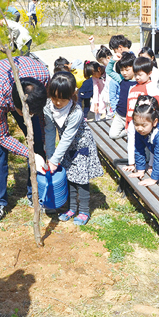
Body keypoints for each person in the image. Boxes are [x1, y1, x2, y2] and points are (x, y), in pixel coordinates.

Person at [0, 56, 49, 226]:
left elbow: (42, 118)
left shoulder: (43, 76)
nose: (30, 117)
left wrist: (41, 145)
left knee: (36, 138)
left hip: (22, 84)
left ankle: (35, 194)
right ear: (14, 107)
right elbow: (2, 137)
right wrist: (28, 154)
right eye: (26, 113)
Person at [43, 72, 103, 226]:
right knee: (69, 176)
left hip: (81, 146)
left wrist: (56, 159)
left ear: (71, 95)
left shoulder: (75, 112)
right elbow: (50, 131)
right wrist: (50, 156)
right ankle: (71, 208)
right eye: (54, 98)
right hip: (66, 147)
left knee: (81, 180)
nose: (57, 103)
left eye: (62, 99)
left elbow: (68, 136)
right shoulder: (48, 108)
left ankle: (83, 211)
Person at [124, 96, 159, 186]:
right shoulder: (140, 131)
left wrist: (153, 178)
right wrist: (140, 170)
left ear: (154, 122)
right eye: (136, 124)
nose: (139, 128)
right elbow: (139, 149)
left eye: (143, 125)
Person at [108, 52, 137, 139]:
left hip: (133, 117)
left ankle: (130, 130)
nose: (124, 73)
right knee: (112, 135)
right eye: (122, 70)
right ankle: (126, 131)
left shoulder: (139, 81)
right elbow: (108, 71)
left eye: (127, 70)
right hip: (120, 115)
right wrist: (113, 60)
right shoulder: (121, 79)